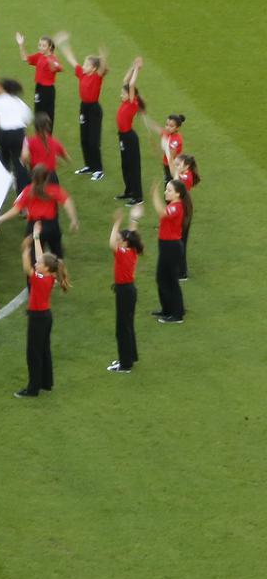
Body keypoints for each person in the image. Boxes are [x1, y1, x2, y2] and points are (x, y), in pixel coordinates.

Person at [15, 229, 68, 398]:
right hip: (45, 316)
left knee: (33, 353)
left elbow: (27, 268)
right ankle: (46, 382)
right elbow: (40, 257)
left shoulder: (40, 278)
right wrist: (37, 238)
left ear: (46, 268)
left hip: (37, 318)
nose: (36, 264)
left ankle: (33, 389)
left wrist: (25, 250)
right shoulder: (49, 276)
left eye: (39, 264)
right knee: (44, 350)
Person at [0, 166, 79, 261]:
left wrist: (0, 219)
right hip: (52, 226)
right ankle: (58, 269)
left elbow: (16, 210)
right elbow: (67, 202)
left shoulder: (28, 190)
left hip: (34, 226)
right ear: (47, 177)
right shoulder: (54, 189)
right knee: (57, 257)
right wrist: (74, 220)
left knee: (33, 258)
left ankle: (37, 269)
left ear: (32, 177)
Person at [57, 41, 108, 180]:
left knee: (93, 141)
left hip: (94, 110)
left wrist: (103, 57)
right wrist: (64, 45)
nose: (83, 66)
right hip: (84, 108)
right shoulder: (82, 74)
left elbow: (102, 68)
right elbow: (72, 60)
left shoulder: (97, 77)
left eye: (86, 65)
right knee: (84, 139)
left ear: (93, 68)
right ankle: (89, 166)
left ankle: (98, 169)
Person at [151, 178, 190, 323]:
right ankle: (167, 309)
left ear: (177, 194)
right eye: (166, 189)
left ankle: (177, 314)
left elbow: (162, 213)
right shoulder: (174, 205)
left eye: (169, 190)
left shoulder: (177, 207)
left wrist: (154, 195)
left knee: (170, 280)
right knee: (161, 278)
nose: (165, 192)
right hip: (167, 246)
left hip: (171, 247)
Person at [109, 208, 143, 372]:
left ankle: (125, 364)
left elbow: (111, 244)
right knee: (128, 325)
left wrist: (116, 223)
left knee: (122, 328)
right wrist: (133, 219)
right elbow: (132, 234)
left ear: (124, 243)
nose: (117, 240)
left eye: (119, 239)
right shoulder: (132, 250)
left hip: (124, 292)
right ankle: (130, 356)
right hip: (129, 290)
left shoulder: (123, 253)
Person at [0, 78, 34, 191]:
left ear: (3, 88)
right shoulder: (20, 103)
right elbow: (27, 121)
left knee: (4, 159)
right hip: (19, 133)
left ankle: (4, 183)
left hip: (5, 134)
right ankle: (22, 192)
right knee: (19, 163)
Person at [112, 56, 147, 205]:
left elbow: (131, 83)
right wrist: (132, 66)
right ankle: (129, 191)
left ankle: (138, 197)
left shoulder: (133, 102)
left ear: (131, 95)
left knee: (133, 166)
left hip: (129, 138)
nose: (121, 95)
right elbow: (126, 80)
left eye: (123, 93)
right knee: (125, 165)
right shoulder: (126, 101)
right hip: (122, 137)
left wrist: (137, 69)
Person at [18, 32, 64, 119]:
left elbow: (59, 68)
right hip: (39, 88)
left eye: (43, 46)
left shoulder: (53, 59)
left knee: (47, 115)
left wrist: (52, 62)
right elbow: (25, 58)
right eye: (40, 45)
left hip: (47, 90)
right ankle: (39, 128)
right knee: (38, 113)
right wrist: (21, 44)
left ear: (49, 47)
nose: (40, 47)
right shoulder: (39, 56)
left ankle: (47, 128)